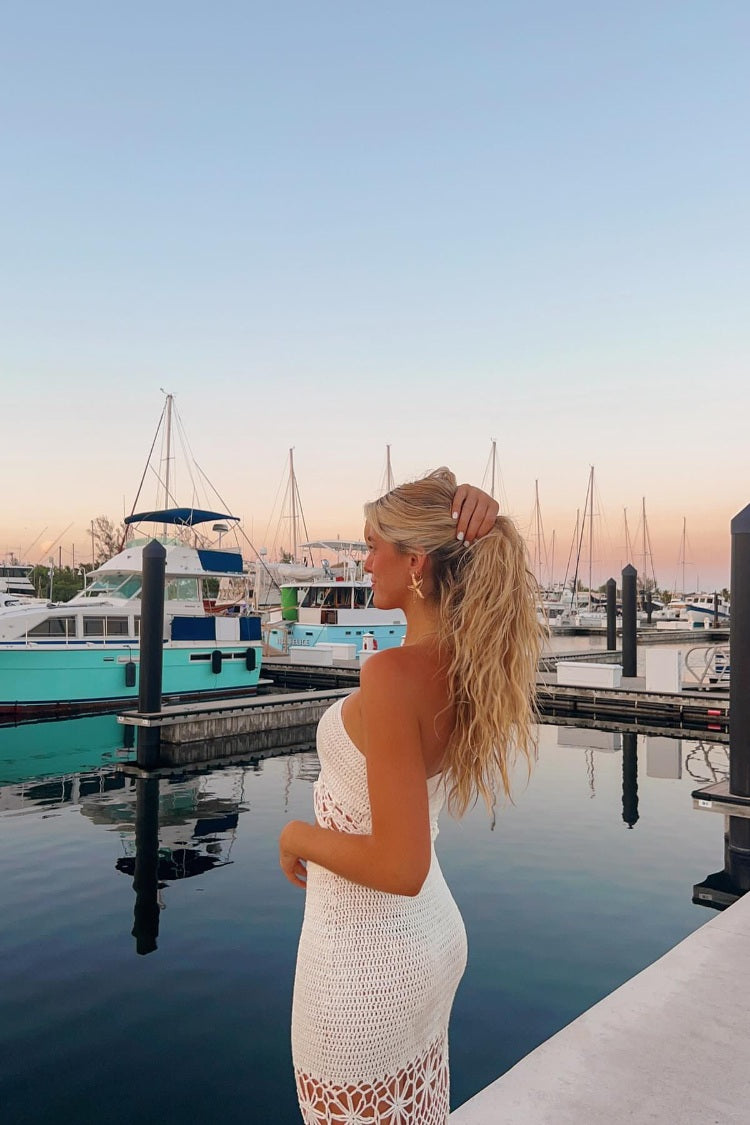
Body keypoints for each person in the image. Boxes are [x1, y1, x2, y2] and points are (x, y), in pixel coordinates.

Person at [279, 470, 542, 1124]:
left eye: (373, 546)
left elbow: (402, 865)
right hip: (425, 942)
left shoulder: (392, 673)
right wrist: (460, 494)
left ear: (416, 560)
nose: (364, 562)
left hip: (364, 975)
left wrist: (296, 836)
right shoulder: (463, 660)